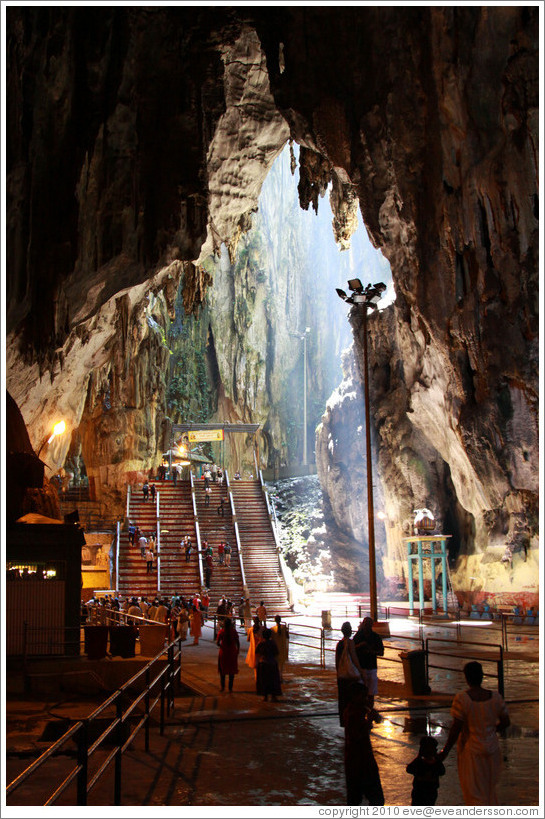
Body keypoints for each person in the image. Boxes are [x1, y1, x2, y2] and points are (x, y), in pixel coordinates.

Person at [439, 660, 510, 805]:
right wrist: (490, 729)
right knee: (489, 791)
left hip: (471, 750)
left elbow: (456, 728)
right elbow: (506, 722)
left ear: (466, 678)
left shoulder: (462, 699)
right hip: (492, 749)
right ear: (482, 676)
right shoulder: (496, 698)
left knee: (474, 793)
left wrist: (445, 751)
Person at [343, 683, 385, 806]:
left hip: (358, 762)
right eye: (363, 697)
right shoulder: (353, 714)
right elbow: (356, 736)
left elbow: (379, 720)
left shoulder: (360, 710)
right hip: (360, 763)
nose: (365, 700)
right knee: (374, 799)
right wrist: (369, 721)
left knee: (356, 799)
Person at [335, 622, 366, 727]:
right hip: (350, 677)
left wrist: (338, 674)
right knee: (352, 699)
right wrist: (361, 672)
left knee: (343, 700)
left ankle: (344, 721)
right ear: (350, 631)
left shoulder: (339, 644)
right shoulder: (350, 643)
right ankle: (352, 722)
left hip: (341, 677)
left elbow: (337, 662)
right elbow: (354, 658)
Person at [353, 617, 384, 707]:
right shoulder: (359, 636)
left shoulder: (375, 637)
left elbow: (381, 652)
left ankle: (368, 709)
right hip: (363, 667)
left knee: (370, 693)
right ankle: (365, 710)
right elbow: (353, 648)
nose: (366, 626)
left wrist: (371, 651)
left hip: (368, 668)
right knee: (365, 692)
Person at [406, 735, 445, 806]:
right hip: (422, 793)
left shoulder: (420, 762)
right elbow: (409, 769)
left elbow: (409, 769)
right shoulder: (420, 762)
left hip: (427, 793)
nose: (436, 750)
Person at [255, 628, 282, 701]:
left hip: (263, 663)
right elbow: (276, 653)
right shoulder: (273, 643)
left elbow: (256, 652)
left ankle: (265, 696)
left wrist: (257, 662)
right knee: (273, 681)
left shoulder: (261, 643)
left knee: (264, 681)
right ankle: (273, 696)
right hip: (272, 663)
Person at [217, 616, 240, 692]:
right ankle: (230, 688)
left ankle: (222, 687)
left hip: (223, 652)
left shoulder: (221, 632)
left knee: (223, 670)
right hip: (232, 651)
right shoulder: (233, 631)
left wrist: (222, 646)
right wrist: (237, 650)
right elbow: (237, 642)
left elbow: (217, 643)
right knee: (231, 670)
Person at [270, 614, 289, 681]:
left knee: (276, 662)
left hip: (276, 647)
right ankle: (280, 675)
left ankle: (277, 675)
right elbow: (287, 636)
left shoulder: (272, 629)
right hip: (282, 646)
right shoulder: (284, 627)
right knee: (281, 663)